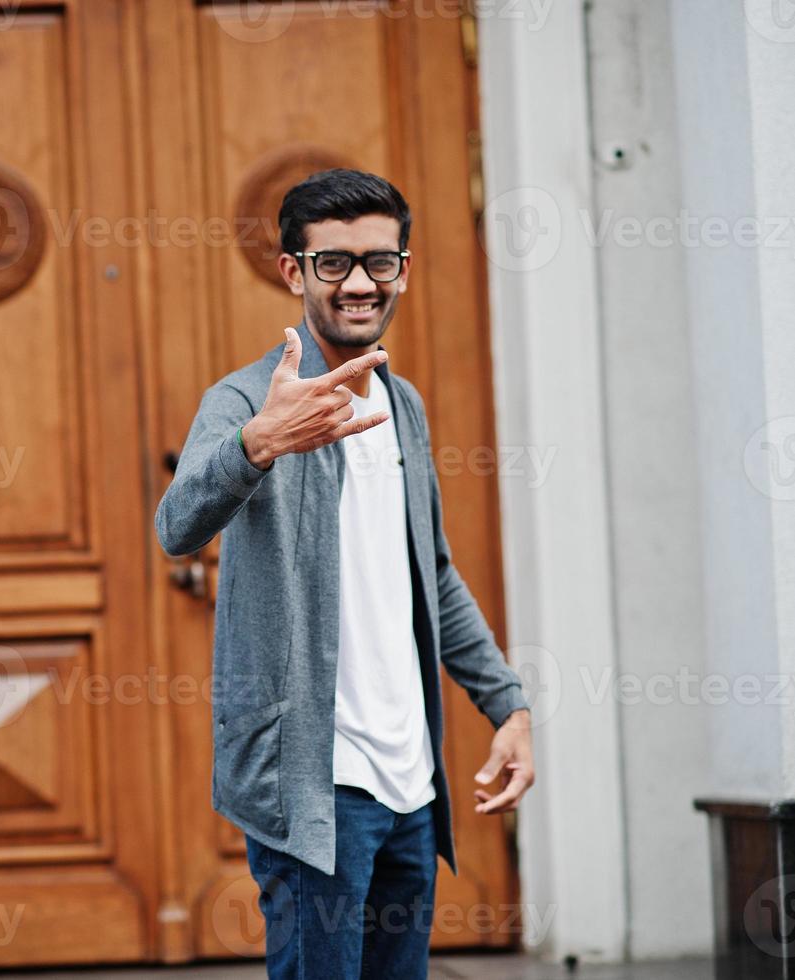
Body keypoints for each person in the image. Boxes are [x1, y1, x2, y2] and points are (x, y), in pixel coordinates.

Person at [154, 168, 535, 979]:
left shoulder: (403, 405)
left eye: (379, 261)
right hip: (313, 788)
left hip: (410, 783)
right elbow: (175, 528)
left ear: (404, 267)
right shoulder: (246, 399)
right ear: (293, 271)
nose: (359, 283)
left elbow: (432, 575)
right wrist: (255, 446)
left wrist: (506, 703)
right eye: (333, 263)